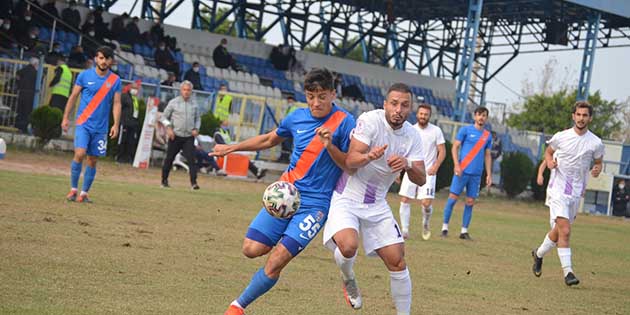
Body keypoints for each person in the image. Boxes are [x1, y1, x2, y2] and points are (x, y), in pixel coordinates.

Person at [214, 68, 356, 315]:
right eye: (311, 96)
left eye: (322, 96)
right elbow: (269, 140)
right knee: (251, 249)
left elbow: (349, 166)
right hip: (284, 197)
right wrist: (232, 148)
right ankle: (292, 240)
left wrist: (329, 145)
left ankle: (237, 307)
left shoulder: (345, 122)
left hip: (315, 205)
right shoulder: (296, 118)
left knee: (277, 260)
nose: (315, 102)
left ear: (333, 94)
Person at [322, 83, 426, 314]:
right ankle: (348, 279)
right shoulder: (370, 121)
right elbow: (350, 162)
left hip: (377, 204)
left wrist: (408, 164)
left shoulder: (412, 136)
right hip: (347, 196)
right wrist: (369, 156)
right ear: (385, 104)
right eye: (394, 104)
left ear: (410, 108)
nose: (399, 109)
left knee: (397, 260)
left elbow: (421, 178)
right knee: (348, 246)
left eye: (404, 105)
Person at [531, 101, 605, 286]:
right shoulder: (561, 137)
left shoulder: (595, 142)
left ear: (590, 118)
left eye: (585, 115)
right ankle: (568, 273)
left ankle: (538, 254)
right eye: (578, 114)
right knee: (565, 230)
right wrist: (548, 163)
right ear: (573, 116)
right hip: (557, 188)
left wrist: (597, 169)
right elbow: (548, 153)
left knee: (558, 232)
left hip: (576, 192)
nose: (581, 118)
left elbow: (598, 162)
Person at [61, 46, 122, 203]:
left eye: (107, 58)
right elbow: (74, 96)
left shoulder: (115, 80)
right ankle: (73, 189)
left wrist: (115, 124)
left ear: (111, 61)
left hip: (101, 128)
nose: (103, 61)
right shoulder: (84, 75)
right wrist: (66, 117)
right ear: (96, 59)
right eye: (100, 58)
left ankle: (84, 193)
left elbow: (116, 103)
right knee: (80, 154)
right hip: (84, 123)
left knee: (93, 160)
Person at [441, 106, 492, 240]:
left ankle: (464, 231)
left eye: (484, 115)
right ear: (475, 116)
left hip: (476, 174)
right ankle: (444, 228)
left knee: (470, 202)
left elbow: (487, 155)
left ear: (486, 118)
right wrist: (456, 165)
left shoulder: (487, 136)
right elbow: (455, 147)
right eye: (479, 115)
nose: (481, 117)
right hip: (462, 170)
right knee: (452, 199)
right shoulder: (465, 130)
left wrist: (489, 174)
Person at [398, 103, 446, 240]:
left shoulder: (436, 131)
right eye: (421, 114)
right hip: (411, 169)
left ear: (429, 116)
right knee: (405, 199)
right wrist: (399, 171)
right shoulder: (410, 130)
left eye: (426, 114)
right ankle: (405, 230)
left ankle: (425, 223)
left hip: (428, 172)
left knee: (426, 203)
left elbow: (442, 151)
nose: (423, 116)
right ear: (417, 114)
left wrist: (435, 167)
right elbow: (403, 151)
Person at [160, 80, 201, 190]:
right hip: (175, 136)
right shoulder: (173, 102)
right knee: (169, 159)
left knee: (192, 160)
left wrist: (196, 128)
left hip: (188, 137)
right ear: (180, 90)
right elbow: (163, 117)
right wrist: (168, 128)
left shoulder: (195, 104)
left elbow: (198, 119)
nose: (186, 92)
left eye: (188, 90)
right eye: (184, 90)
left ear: (191, 91)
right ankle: (164, 181)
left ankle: (194, 183)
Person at [116, 82, 141, 164]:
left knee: (131, 141)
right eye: (134, 88)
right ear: (130, 88)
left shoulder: (135, 99)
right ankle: (119, 157)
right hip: (125, 122)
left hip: (133, 123)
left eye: (137, 89)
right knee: (122, 140)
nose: (135, 90)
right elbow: (119, 107)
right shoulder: (125, 96)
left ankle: (128, 158)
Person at [15, 57, 39, 133]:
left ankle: (19, 128)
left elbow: (17, 75)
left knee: (20, 111)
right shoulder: (35, 72)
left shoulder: (24, 69)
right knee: (27, 112)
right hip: (30, 94)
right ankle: (24, 128)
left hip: (22, 92)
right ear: (35, 64)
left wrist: (19, 85)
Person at [279, 95, 298, 163]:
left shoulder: (294, 108)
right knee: (284, 144)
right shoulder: (288, 108)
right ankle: (282, 157)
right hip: (285, 129)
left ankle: (286, 158)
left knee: (288, 144)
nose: (289, 101)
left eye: (290, 100)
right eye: (288, 100)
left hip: (290, 129)